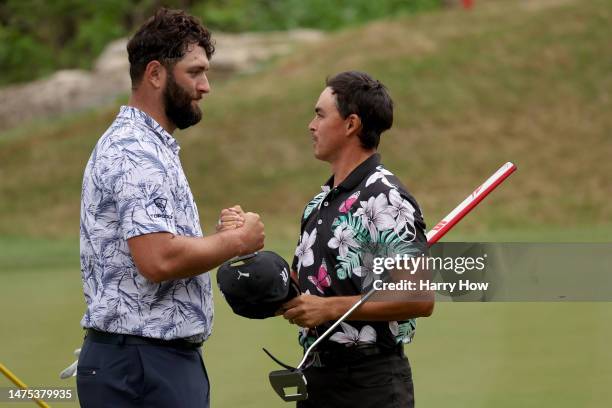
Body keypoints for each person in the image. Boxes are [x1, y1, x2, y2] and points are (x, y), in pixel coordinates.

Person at [77, 8, 264, 408]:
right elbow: (159, 258)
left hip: (141, 360)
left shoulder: (147, 145)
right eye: (195, 72)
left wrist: (221, 237)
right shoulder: (135, 152)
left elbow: (160, 246)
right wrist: (236, 241)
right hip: (146, 365)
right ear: (156, 74)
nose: (206, 86)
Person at [280, 71, 434, 408]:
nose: (311, 125)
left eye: (320, 114)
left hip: (370, 383)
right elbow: (303, 288)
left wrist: (327, 309)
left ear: (351, 125)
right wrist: (250, 258)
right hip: (316, 379)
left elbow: (419, 299)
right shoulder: (320, 202)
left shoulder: (386, 199)